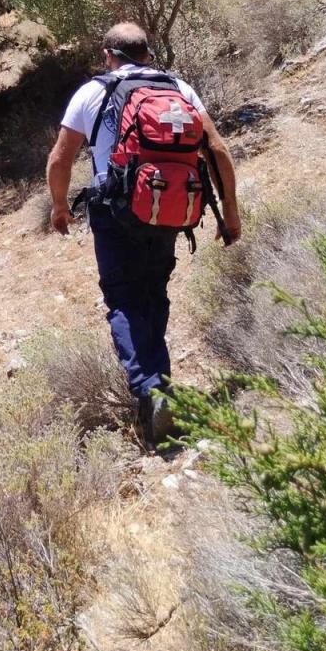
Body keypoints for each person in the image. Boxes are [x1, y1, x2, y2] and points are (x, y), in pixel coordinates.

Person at [46, 22, 242, 445]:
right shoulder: (179, 88)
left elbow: (61, 159)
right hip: (169, 206)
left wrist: (60, 206)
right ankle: (160, 388)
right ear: (148, 54)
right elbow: (218, 151)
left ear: (107, 54)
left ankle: (151, 391)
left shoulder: (92, 91)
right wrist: (230, 212)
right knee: (153, 292)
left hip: (115, 212)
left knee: (123, 298)